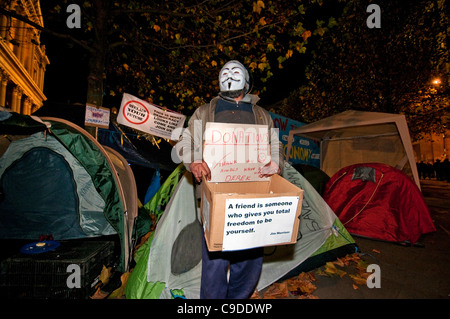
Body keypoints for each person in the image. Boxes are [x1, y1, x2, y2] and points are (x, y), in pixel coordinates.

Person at [174, 60, 284, 299]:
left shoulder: (262, 115)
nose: (229, 75)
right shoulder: (204, 112)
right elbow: (184, 142)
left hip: (254, 199)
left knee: (250, 262)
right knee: (214, 262)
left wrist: (276, 162)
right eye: (224, 72)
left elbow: (276, 146)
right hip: (216, 199)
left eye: (236, 71)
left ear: (247, 81)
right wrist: (193, 160)